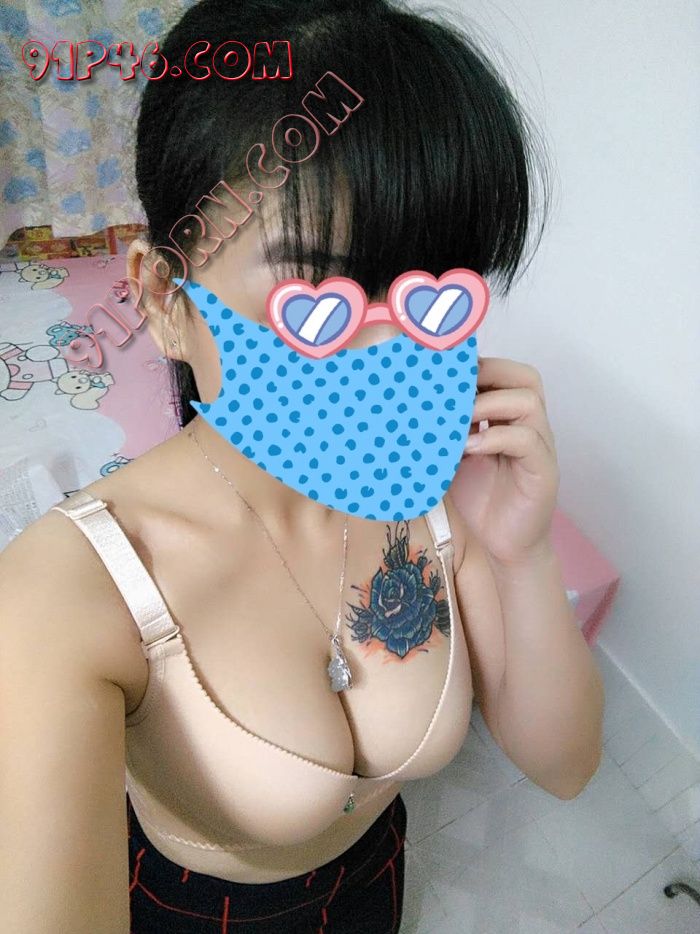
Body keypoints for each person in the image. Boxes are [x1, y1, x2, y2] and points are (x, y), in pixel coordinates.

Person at [0, 1, 604, 931]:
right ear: (161, 295)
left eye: (431, 293)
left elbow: (565, 767)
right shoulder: (70, 589)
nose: (387, 350)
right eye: (316, 289)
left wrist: (522, 553)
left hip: (375, 878)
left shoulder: (442, 498)